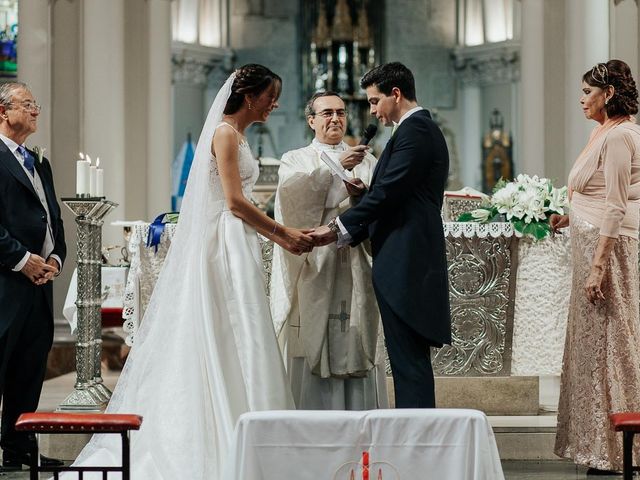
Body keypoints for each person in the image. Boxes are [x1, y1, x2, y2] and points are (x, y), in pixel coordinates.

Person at [70, 64, 313, 479]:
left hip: (234, 241)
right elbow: (235, 201)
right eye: (270, 95)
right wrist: (283, 233)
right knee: (226, 329)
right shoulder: (223, 133)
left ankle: (249, 422)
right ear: (249, 95)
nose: (274, 104)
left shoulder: (233, 134)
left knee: (243, 332)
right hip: (223, 244)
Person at [311, 62, 451, 408]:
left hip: (407, 260)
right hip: (403, 256)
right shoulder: (412, 131)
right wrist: (363, 194)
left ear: (396, 94)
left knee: (409, 363)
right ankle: (413, 438)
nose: (372, 110)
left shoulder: (415, 131)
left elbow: (389, 192)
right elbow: (394, 192)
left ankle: (417, 444)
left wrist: (336, 229)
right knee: (406, 362)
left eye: (375, 101)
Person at [270, 91, 387, 410]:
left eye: (340, 112)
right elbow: (291, 202)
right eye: (326, 113)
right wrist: (336, 166)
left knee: (356, 331)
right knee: (313, 331)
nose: (335, 118)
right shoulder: (295, 158)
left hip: (355, 260)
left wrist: (360, 197)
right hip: (316, 264)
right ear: (311, 121)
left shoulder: (368, 160)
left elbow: (382, 206)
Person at [552, 59, 640, 474]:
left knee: (610, 344)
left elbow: (617, 204)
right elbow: (596, 191)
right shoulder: (601, 132)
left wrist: (598, 267)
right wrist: (570, 215)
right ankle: (597, 445)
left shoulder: (621, 135)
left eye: (587, 92)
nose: (581, 100)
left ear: (608, 94)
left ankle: (617, 449)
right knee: (591, 348)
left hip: (609, 252)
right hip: (590, 246)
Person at [0, 82, 66, 470]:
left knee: (28, 371)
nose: (35, 110)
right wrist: (22, 259)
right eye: (27, 104)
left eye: (36, 104)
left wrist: (55, 258)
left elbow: (52, 217)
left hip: (38, 286)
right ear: (3, 111)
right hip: (6, 282)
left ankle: (19, 452)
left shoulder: (39, 162)